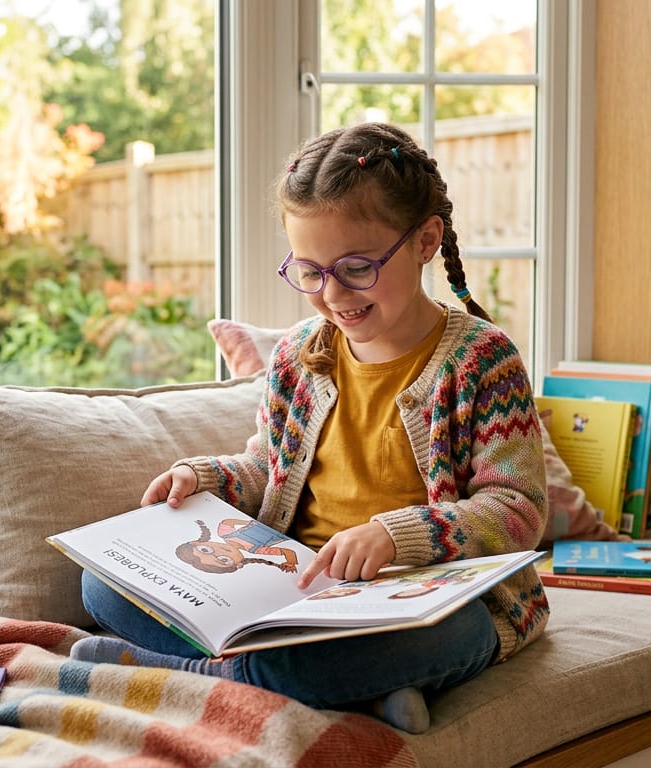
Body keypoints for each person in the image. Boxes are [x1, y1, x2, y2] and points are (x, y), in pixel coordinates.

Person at [70, 121, 550, 734]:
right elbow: (270, 471)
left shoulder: (483, 359)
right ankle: (359, 691)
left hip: (427, 599)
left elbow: (518, 509)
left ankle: (169, 674)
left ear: (426, 240)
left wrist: (393, 535)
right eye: (309, 271)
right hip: (295, 590)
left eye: (355, 266)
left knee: (431, 638)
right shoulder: (299, 357)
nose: (331, 293)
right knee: (100, 586)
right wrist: (206, 478)